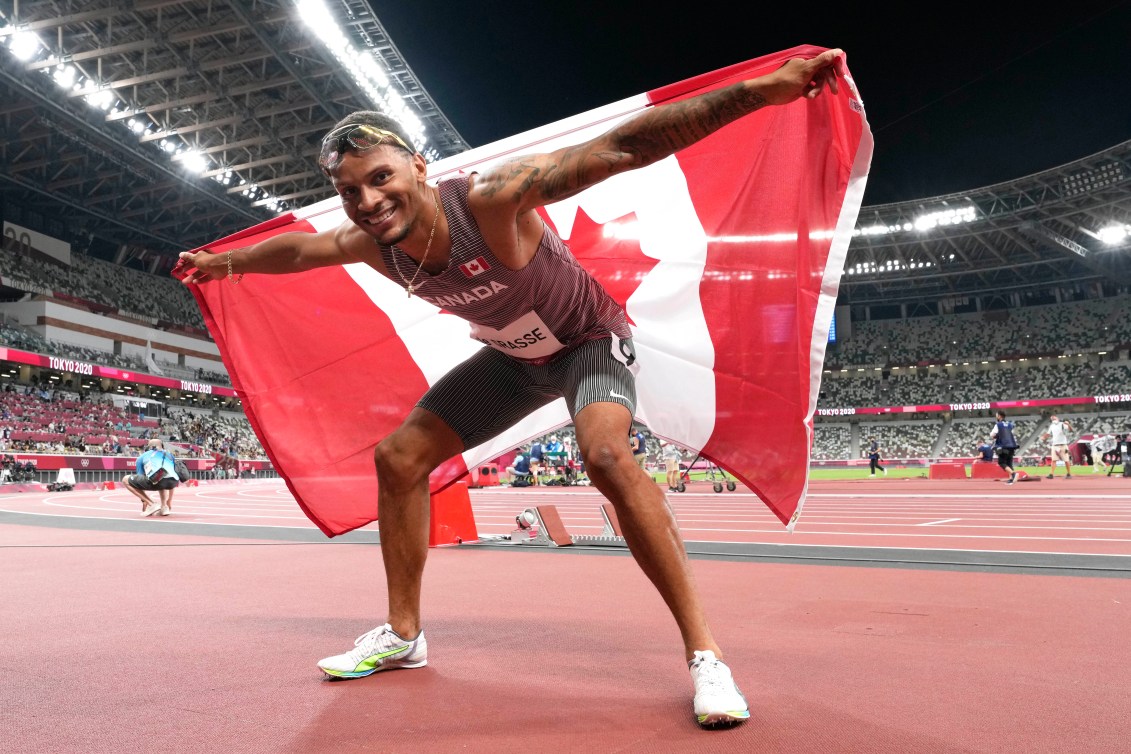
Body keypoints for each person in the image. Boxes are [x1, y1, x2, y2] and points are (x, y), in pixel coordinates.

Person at [178, 47, 846, 728]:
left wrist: (759, 93)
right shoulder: (368, 242)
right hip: (513, 362)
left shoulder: (491, 200)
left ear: (418, 165)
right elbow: (297, 250)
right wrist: (223, 264)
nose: (369, 201)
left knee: (608, 457)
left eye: (380, 178)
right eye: (351, 191)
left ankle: (705, 655)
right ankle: (404, 637)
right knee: (398, 457)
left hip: (588, 343)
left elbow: (619, 147)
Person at [122, 438, 180, 517]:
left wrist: (144, 501)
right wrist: (169, 501)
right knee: (161, 476)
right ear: (162, 446)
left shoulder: (142, 457)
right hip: (173, 482)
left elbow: (140, 477)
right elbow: (172, 474)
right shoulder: (170, 455)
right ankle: (164, 507)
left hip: (156, 481)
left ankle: (151, 504)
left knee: (125, 479)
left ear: (148, 447)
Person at [990, 411, 1020, 485]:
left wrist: (996, 436)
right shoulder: (1010, 424)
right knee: (1009, 463)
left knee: (1002, 462)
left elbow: (992, 435)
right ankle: (1011, 479)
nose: (996, 416)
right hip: (1012, 446)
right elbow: (1013, 434)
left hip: (1003, 446)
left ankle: (1013, 474)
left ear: (1000, 416)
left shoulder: (998, 424)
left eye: (997, 415)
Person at [1041, 414, 1074, 479]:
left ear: (1057, 418)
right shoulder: (1052, 426)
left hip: (1063, 445)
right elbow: (1048, 434)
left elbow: (1071, 430)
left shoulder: (1062, 424)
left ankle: (1069, 473)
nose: (1053, 419)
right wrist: (1043, 437)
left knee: (1066, 460)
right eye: (1052, 418)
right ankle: (1051, 474)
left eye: (1054, 418)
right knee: (1053, 460)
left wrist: (1068, 424)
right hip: (1055, 445)